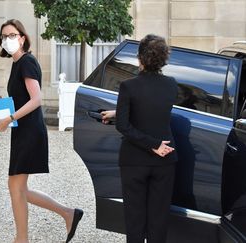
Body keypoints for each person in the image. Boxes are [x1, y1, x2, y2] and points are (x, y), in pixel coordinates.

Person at [0, 19, 83, 243]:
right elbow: (24, 97)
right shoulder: (17, 63)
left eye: (12, 35)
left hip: (30, 131)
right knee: (17, 187)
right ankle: (67, 214)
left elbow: (37, 99)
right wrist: (5, 105)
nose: (8, 40)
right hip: (23, 130)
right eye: (4, 36)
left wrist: (9, 118)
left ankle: (22, 239)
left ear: (22, 38)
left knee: (16, 186)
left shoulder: (27, 61)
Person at [101, 34, 178, 243]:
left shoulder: (129, 87)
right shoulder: (171, 85)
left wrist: (151, 144)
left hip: (134, 161)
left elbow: (123, 125)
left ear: (140, 58)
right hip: (165, 159)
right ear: (163, 59)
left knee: (134, 221)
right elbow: (153, 106)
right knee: (158, 221)